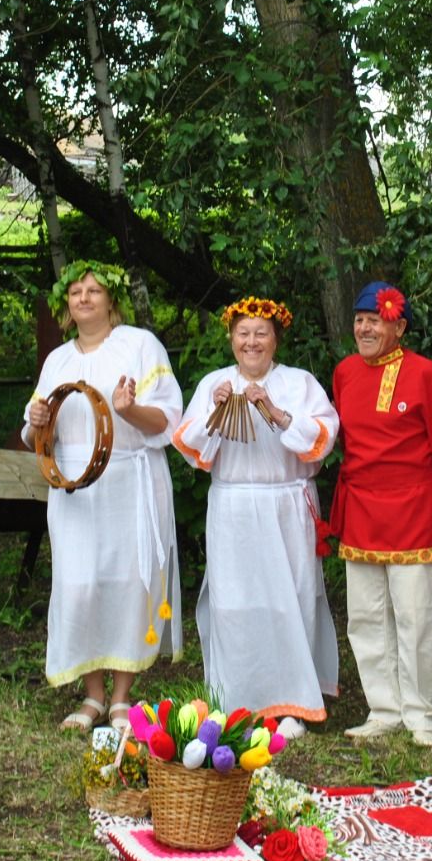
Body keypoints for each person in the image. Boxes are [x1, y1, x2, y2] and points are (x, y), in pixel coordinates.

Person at [22, 261, 183, 733]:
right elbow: (37, 435)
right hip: (73, 489)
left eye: (95, 290)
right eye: (76, 292)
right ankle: (90, 696)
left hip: (129, 482)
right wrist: (34, 420)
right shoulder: (58, 360)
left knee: (126, 584)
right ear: (66, 307)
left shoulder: (138, 345)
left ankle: (119, 699)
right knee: (79, 584)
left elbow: (168, 423)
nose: (85, 298)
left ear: (112, 300)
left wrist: (130, 409)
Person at [173, 296, 339, 737]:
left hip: (285, 503)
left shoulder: (299, 383)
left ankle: (294, 704)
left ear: (275, 340)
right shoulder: (215, 383)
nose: (251, 342)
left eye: (260, 334)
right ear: (231, 339)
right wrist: (216, 410)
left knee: (292, 598)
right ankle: (236, 698)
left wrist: (275, 412)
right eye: (243, 334)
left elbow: (322, 441)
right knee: (234, 602)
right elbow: (191, 449)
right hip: (233, 507)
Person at [330, 280, 432, 750]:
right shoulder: (345, 372)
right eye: (359, 320)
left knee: (416, 617)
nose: (364, 328)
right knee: (365, 617)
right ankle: (383, 709)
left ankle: (421, 717)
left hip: (412, 511)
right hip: (361, 511)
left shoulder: (425, 375)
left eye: (374, 320)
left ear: (399, 326)